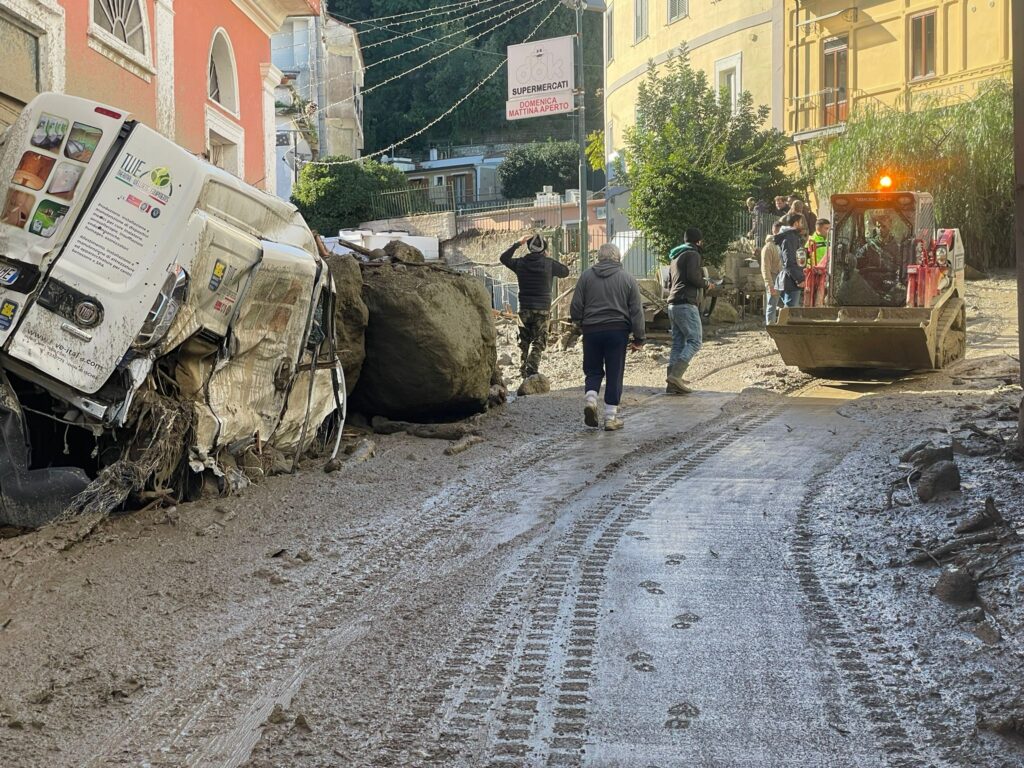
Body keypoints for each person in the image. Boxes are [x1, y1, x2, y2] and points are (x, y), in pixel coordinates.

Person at [569, 242, 645, 431]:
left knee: (593, 370)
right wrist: (639, 338)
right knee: (614, 373)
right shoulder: (627, 278)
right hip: (617, 332)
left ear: (599, 257)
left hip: (592, 330)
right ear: (618, 258)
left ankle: (591, 399)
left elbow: (576, 305)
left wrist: (579, 323)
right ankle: (610, 418)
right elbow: (636, 311)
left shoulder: (586, 276)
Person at [499, 233, 569, 379]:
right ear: (544, 249)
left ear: (529, 248)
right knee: (539, 340)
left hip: (523, 308)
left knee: (523, 341)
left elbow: (503, 258)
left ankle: (523, 370)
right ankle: (532, 370)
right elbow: (565, 272)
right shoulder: (549, 263)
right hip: (542, 310)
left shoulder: (520, 263)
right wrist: (548, 258)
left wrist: (517, 243)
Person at [664, 228, 709, 394]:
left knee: (678, 342)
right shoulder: (693, 254)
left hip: (673, 304)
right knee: (695, 341)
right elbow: (693, 277)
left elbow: (670, 282)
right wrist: (705, 284)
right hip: (685, 303)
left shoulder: (675, 256)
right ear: (698, 241)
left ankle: (672, 384)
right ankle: (676, 376)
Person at [774, 212, 807, 309]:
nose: (803, 225)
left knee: (789, 309)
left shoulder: (790, 236)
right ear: (796, 223)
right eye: (801, 222)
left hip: (789, 279)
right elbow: (789, 261)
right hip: (791, 280)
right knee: (790, 311)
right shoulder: (790, 238)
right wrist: (799, 279)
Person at [761, 222, 783, 324]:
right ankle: (770, 327)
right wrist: (770, 284)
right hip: (774, 277)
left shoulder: (782, 244)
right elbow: (765, 268)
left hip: (783, 277)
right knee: (771, 304)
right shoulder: (768, 248)